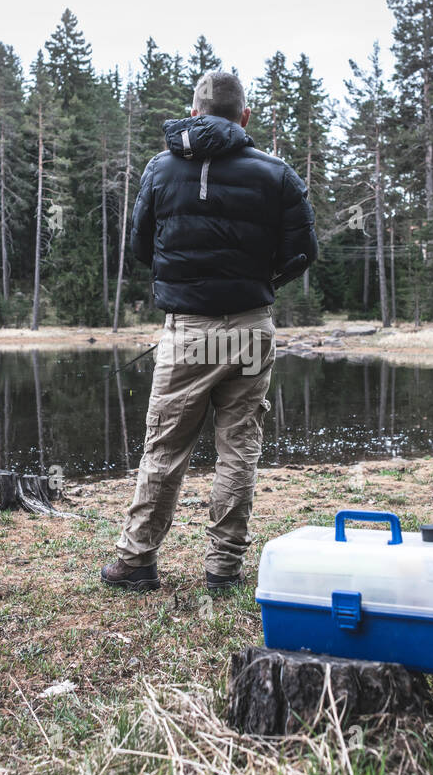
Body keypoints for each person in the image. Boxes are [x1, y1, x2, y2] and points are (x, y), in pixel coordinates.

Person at [100, 70, 317, 592]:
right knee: (238, 446)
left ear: (194, 113)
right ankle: (223, 567)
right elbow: (303, 252)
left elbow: (139, 248)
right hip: (249, 327)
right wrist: (261, 282)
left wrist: (184, 283)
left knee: (165, 447)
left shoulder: (159, 169)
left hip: (188, 331)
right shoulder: (276, 174)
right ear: (244, 116)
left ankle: (137, 560)